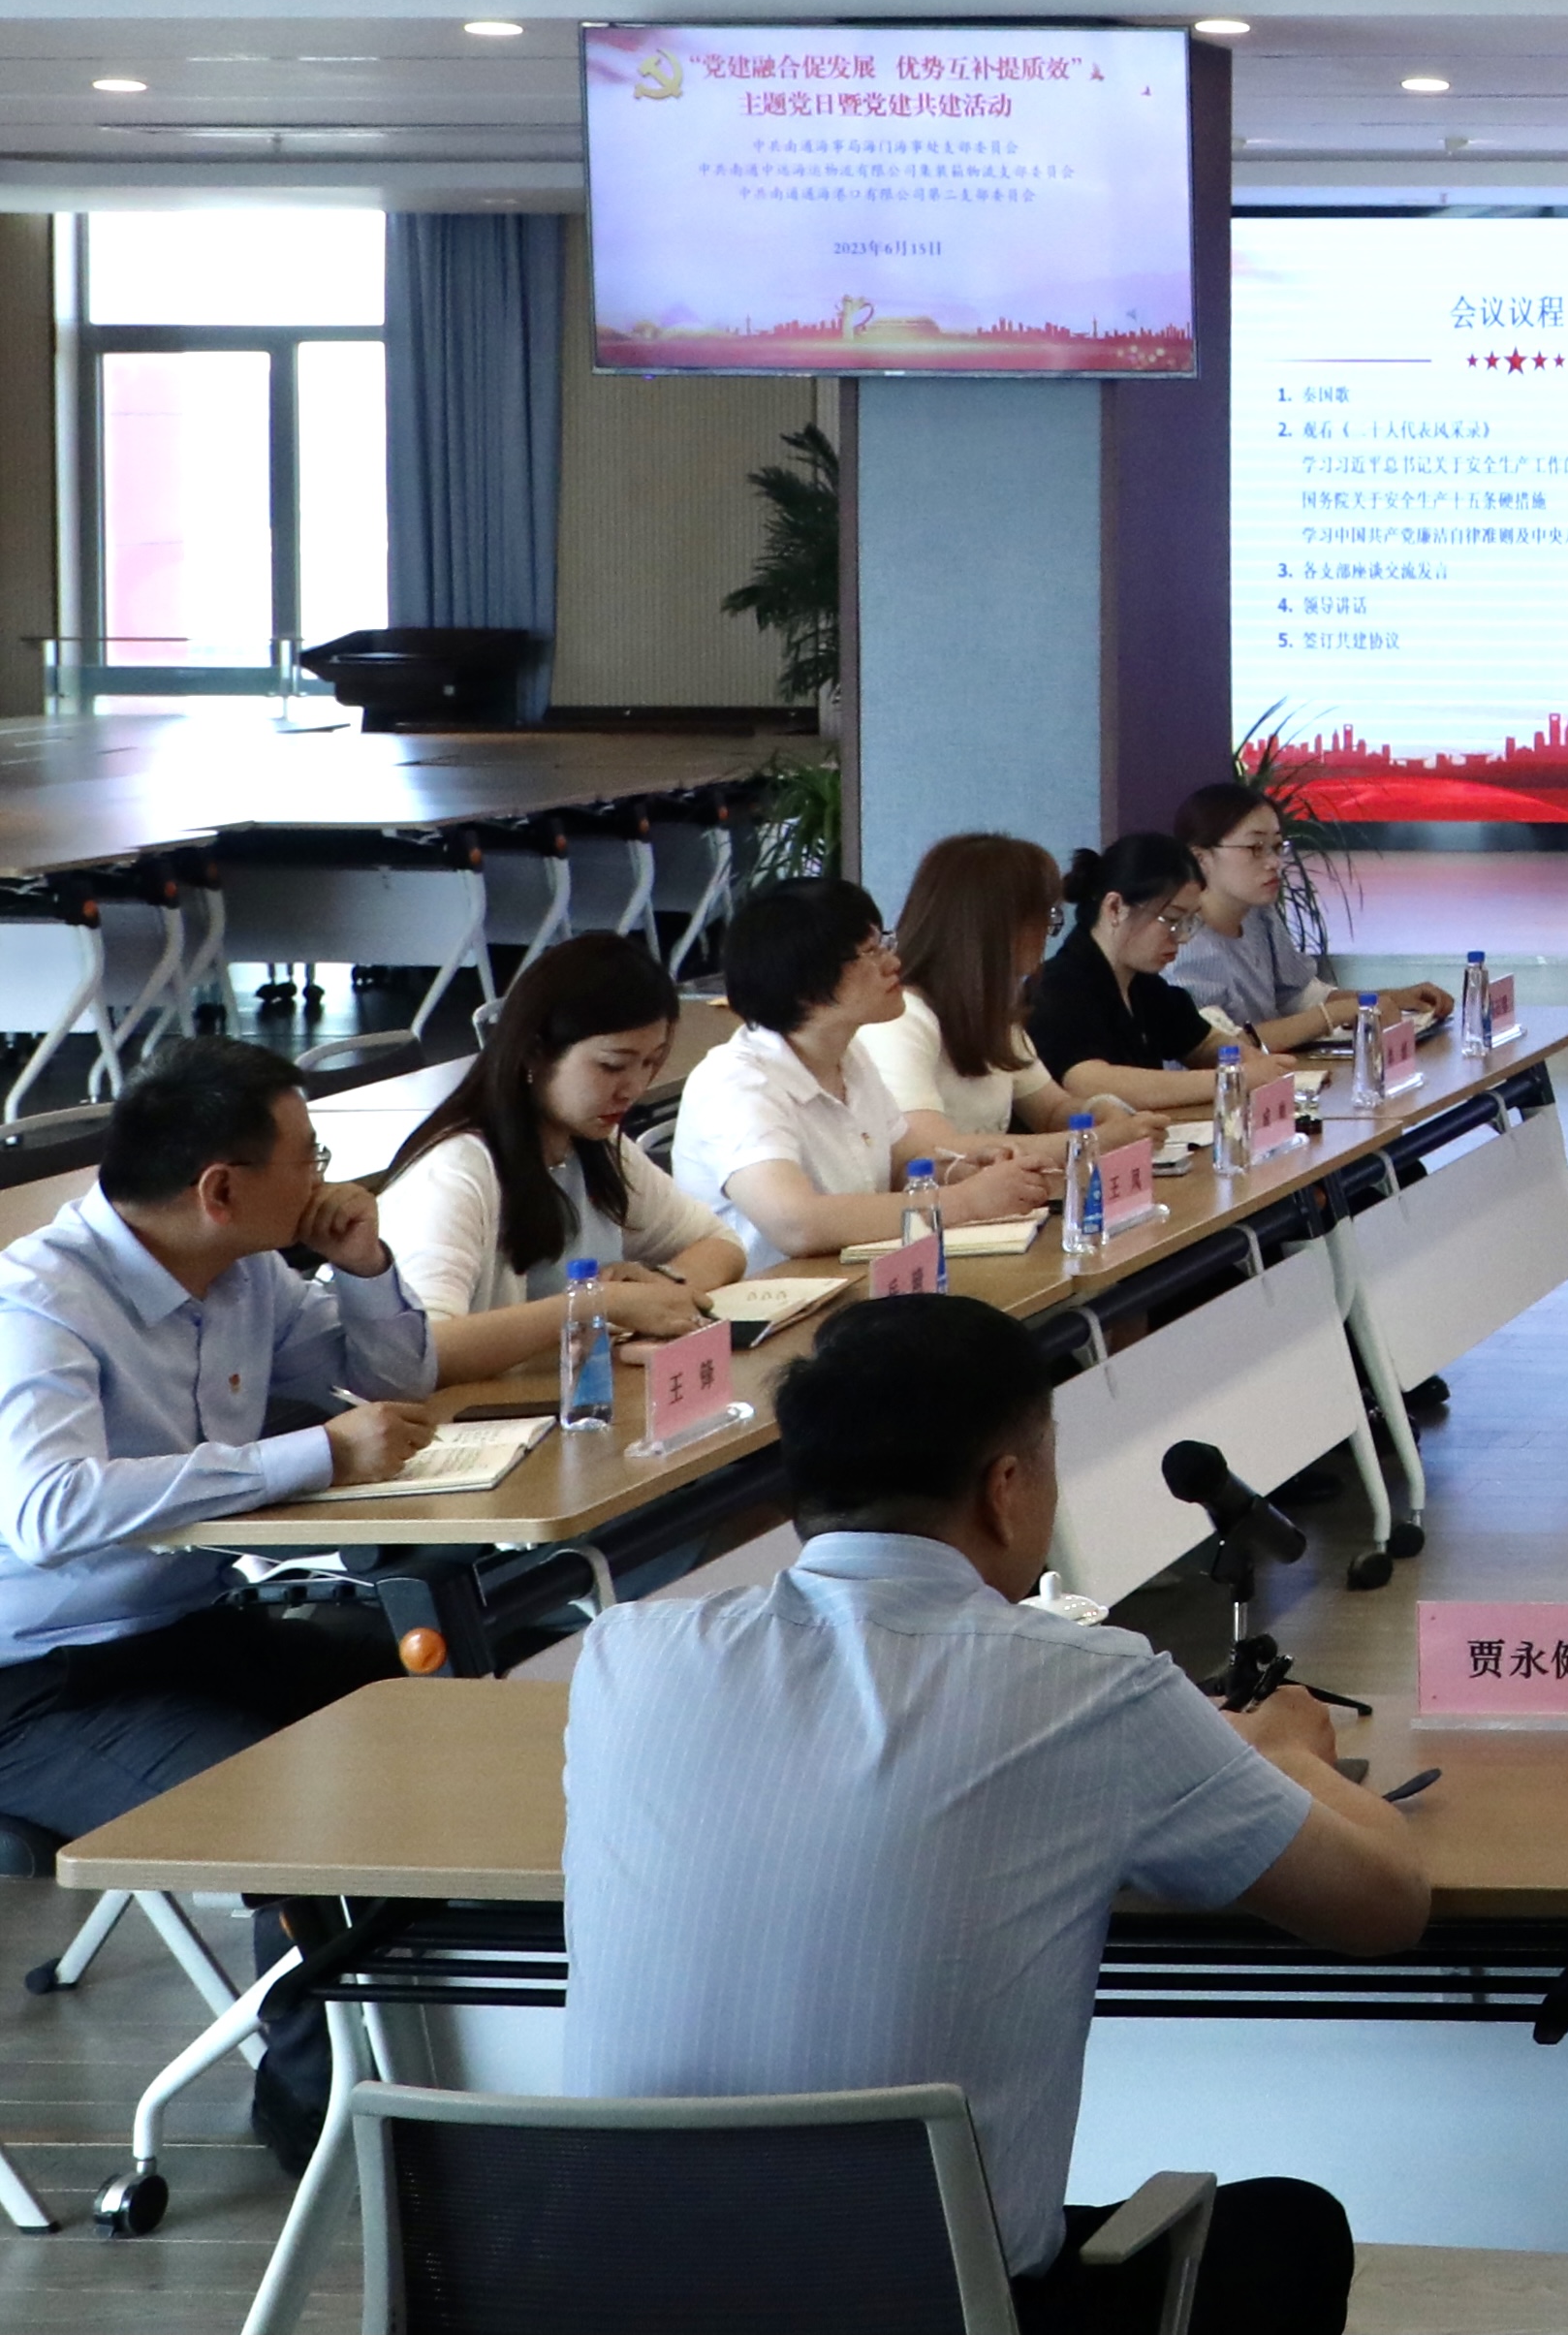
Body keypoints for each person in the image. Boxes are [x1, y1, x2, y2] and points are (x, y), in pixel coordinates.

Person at [564, 1292, 1427, 2335]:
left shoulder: (626, 1658)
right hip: (934, 2308)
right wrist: (1282, 1751)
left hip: (610, 2301)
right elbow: (1387, 1903)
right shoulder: (1088, 1687)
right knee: (1289, 2229)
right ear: (1006, 1488)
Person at [0, 1039, 441, 2160]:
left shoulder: (246, 1276)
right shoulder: (40, 1301)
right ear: (221, 1189)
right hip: (38, 1686)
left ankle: (445, 2055)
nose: (326, 1175)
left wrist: (365, 1263)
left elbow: (394, 1386)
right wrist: (309, 1458)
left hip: (190, 1628)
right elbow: (48, 1509)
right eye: (310, 1156)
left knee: (439, 1715)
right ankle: (321, 2123)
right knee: (297, 1814)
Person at [374, 931, 743, 1382]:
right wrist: (592, 1304)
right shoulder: (454, 1172)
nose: (633, 1088)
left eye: (650, 1063)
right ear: (534, 1053)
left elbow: (720, 1244)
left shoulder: (594, 1143)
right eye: (611, 1065)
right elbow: (422, 1351)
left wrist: (661, 1283)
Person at [673, 877, 1052, 1264]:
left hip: (854, 1277)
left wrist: (962, 1170)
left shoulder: (849, 1055)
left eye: (884, 944)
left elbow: (902, 1163)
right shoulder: (734, 1083)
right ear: (806, 982)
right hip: (771, 1296)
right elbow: (796, 1223)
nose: (893, 963)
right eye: (870, 953)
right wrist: (967, 1201)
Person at [862, 835, 1178, 1157]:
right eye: (1046, 916)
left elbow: (1052, 1110)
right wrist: (1097, 1140)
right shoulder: (902, 1021)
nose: (1047, 933)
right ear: (1002, 925)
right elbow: (933, 1148)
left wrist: (1100, 1111)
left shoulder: (993, 1015)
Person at [1162, 784, 1444, 1062]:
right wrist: (1335, 1015)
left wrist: (1387, 999)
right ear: (1201, 858)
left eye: (1277, 847)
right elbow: (1220, 1044)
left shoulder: (1259, 914)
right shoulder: (1181, 943)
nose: (1274, 862)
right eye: (1255, 848)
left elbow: (1298, 995)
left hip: (1273, 1074)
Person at [1031, 835, 1240, 1103]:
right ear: (1115, 908)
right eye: (1172, 919)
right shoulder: (1057, 986)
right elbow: (1089, 1083)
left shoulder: (1143, 984)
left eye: (1190, 921)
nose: (1183, 937)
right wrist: (1230, 1078)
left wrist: (1246, 1059)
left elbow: (1202, 1043)